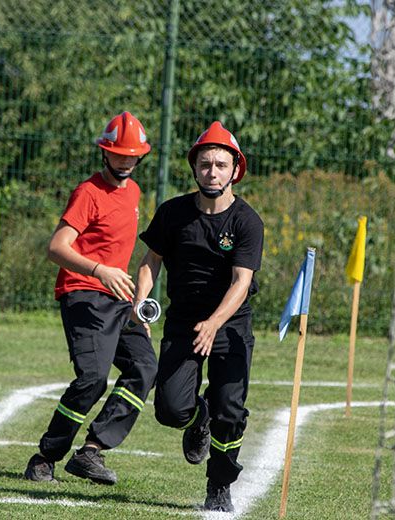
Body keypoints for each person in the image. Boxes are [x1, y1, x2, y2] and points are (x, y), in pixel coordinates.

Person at [134, 121, 264, 512]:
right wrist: (141, 302)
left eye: (221, 165)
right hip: (183, 323)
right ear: (194, 168)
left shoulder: (247, 222)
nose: (212, 171)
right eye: (205, 164)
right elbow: (149, 261)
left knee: (231, 411)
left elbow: (242, 282)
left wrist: (215, 323)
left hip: (230, 325)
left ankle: (219, 484)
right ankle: (197, 414)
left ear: (234, 170)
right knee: (171, 411)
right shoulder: (173, 212)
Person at [24, 111, 157, 485]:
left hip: (119, 301)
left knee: (144, 368)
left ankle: (92, 451)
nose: (126, 161)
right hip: (83, 292)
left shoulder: (133, 192)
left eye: (132, 155)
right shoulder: (87, 192)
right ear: (104, 152)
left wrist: (134, 307)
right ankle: (45, 457)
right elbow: (56, 248)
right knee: (94, 378)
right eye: (118, 154)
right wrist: (100, 271)